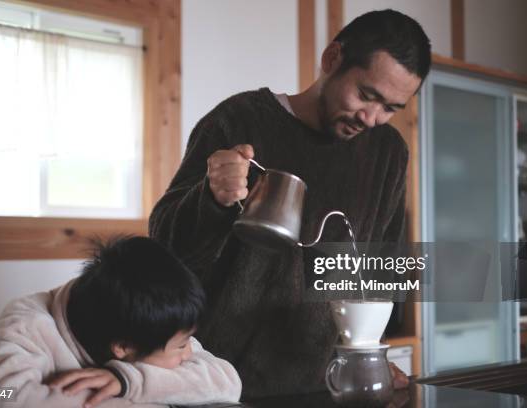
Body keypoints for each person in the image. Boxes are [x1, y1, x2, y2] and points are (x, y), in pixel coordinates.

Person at [149, 9, 431, 398]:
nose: (371, 117)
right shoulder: (240, 121)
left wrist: (368, 351)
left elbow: (376, 268)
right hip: (214, 381)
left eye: (390, 108)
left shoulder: (389, 153)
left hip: (319, 384)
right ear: (332, 59)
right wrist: (211, 198)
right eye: (367, 96)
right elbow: (163, 248)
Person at [0, 236, 241, 408]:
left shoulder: (156, 322)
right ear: (122, 346)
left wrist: (126, 382)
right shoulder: (28, 323)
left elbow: (227, 383)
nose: (189, 353)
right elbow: (2, 399)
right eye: (180, 347)